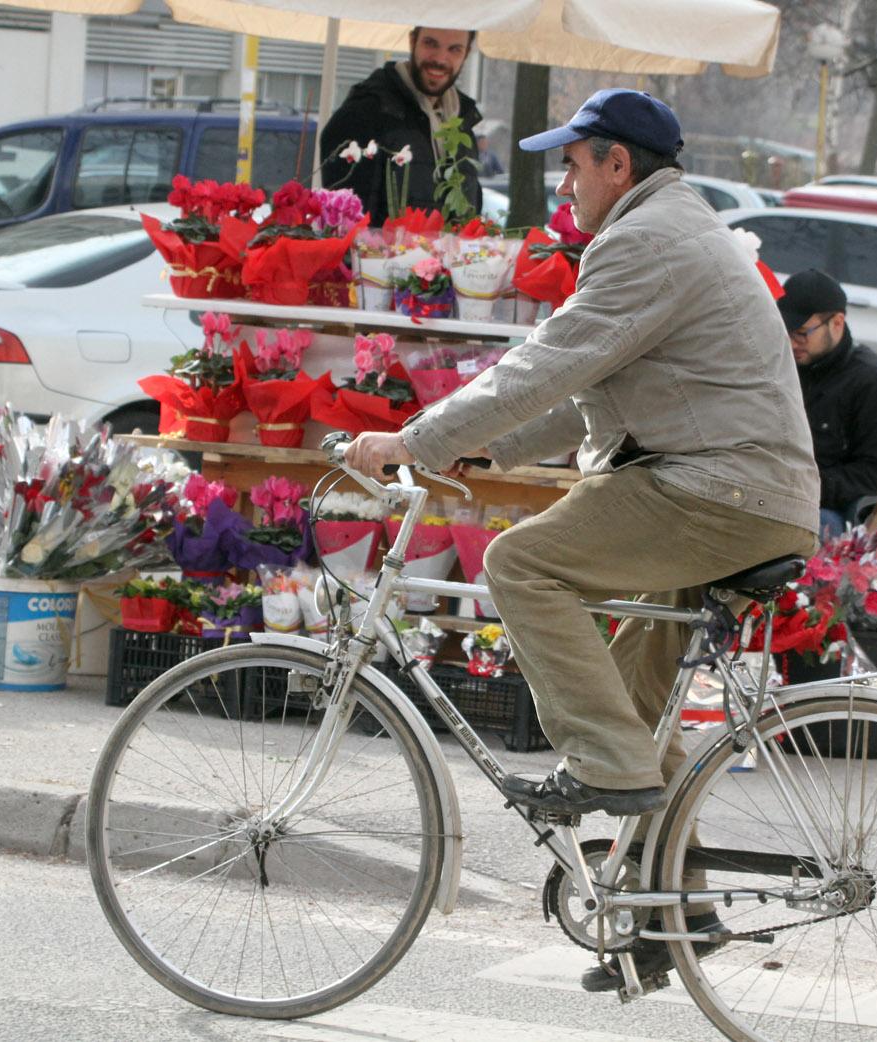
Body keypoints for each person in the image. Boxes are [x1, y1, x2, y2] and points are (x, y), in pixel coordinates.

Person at [343, 89, 819, 987]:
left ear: (618, 164)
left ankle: (600, 767)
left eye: (572, 161)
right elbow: (576, 392)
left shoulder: (647, 241)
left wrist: (417, 440)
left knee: (523, 562)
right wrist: (482, 442)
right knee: (637, 710)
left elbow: (546, 361)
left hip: (715, 489)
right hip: (732, 487)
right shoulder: (673, 228)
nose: (563, 180)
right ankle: (676, 915)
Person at [778, 268, 877, 537]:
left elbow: (875, 473)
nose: (791, 344)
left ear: (837, 322)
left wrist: (804, 488)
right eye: (784, 331)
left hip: (829, 509)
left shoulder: (874, 383)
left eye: (801, 333)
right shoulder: (782, 365)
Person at [320, 26, 483, 223]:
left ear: (466, 53)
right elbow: (348, 225)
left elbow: (468, 215)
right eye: (431, 44)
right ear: (413, 41)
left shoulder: (463, 121)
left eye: (454, 49)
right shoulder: (367, 112)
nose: (440, 59)